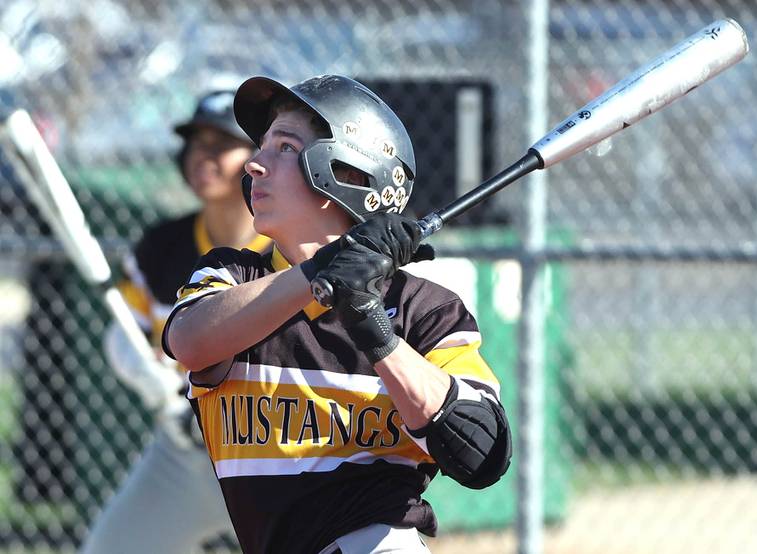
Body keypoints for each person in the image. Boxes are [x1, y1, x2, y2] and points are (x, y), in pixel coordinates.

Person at [162, 74, 512, 554]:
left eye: (283, 148)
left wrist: (374, 326)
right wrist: (326, 268)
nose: (253, 164)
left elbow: (480, 449)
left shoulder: (423, 310)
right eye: (262, 146)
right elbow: (191, 341)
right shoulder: (233, 277)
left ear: (345, 174)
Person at [81, 90, 271, 553]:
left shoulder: (294, 250)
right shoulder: (163, 246)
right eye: (196, 141)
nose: (202, 155)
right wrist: (143, 370)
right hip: (186, 452)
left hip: (275, 454)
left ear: (259, 159)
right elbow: (125, 333)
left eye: (221, 143)